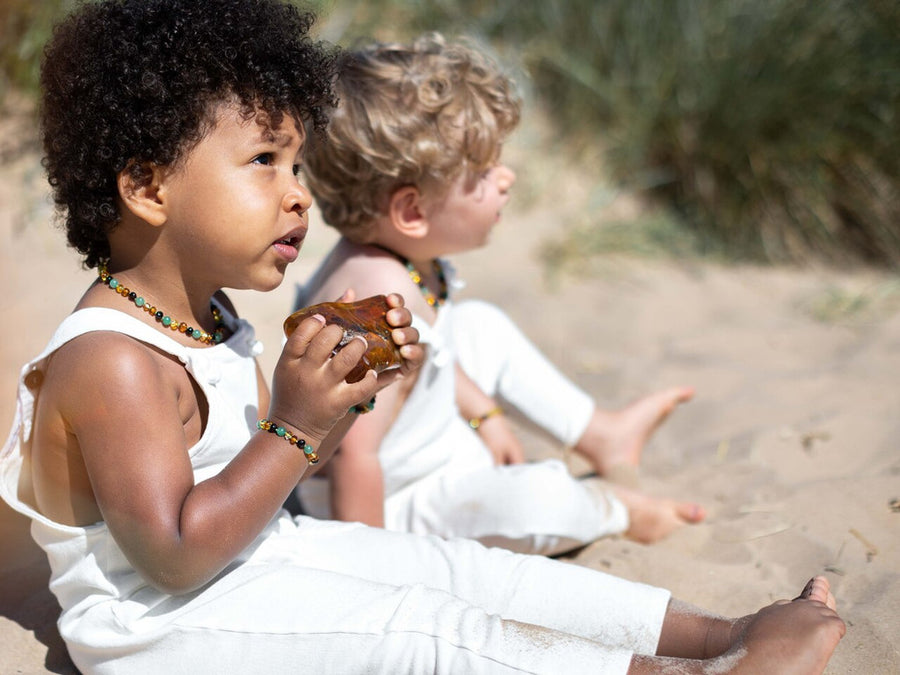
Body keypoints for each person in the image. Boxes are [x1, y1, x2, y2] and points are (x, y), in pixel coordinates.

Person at [0, 1, 845, 672]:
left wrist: (335, 398)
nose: (298, 195)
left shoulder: (208, 317)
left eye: (298, 166)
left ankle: (722, 631)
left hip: (255, 559)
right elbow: (175, 554)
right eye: (264, 162)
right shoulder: (109, 358)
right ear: (147, 185)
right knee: (427, 631)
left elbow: (268, 471)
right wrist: (297, 422)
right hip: (162, 633)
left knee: (464, 573)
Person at [294, 33, 705, 555]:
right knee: (537, 500)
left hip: (423, 440)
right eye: (484, 173)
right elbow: (354, 454)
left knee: (479, 324)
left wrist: (484, 415)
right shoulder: (375, 301)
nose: (506, 178)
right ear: (412, 212)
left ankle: (600, 434)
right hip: (395, 499)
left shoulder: (403, 262)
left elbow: (433, 353)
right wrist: (378, 567)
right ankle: (616, 508)